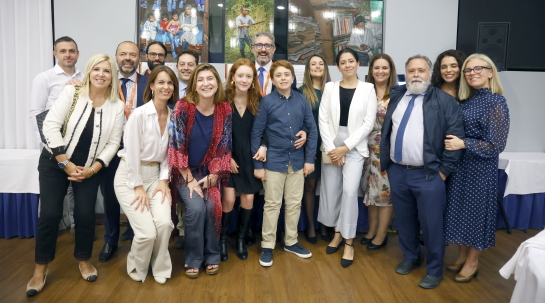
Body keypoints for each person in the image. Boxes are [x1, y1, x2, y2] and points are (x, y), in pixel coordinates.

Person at [26, 54, 124, 296]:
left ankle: (83, 260)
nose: (101, 74)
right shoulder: (72, 93)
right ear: (89, 72)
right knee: (49, 214)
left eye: (107, 70)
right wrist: (66, 164)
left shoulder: (117, 106)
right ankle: (40, 269)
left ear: (113, 76)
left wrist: (93, 169)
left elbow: (113, 144)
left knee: (84, 215)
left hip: (89, 170)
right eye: (96, 69)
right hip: (54, 162)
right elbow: (49, 125)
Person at [380, 54, 464, 289]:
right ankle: (411, 258)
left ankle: (435, 270)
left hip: (429, 175)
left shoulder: (445, 101)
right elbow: (388, 131)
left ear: (430, 73)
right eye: (411, 71)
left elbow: (455, 138)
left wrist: (444, 172)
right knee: (405, 221)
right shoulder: (396, 97)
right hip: (398, 172)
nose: (415, 75)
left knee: (431, 225)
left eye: (421, 70)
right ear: (405, 74)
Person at [444, 54, 510, 283]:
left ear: (490, 72)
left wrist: (464, 143)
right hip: (461, 167)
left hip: (481, 171)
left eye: (478, 69)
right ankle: (462, 256)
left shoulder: (496, 101)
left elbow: (496, 145)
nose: (472, 73)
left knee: (475, 217)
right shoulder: (468, 100)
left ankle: (473, 261)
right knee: (461, 214)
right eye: (468, 70)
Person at [114, 65, 178, 284]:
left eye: (170, 83)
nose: (166, 87)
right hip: (130, 177)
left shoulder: (173, 116)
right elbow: (131, 153)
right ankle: (136, 264)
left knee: (164, 223)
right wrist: (138, 186)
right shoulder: (139, 114)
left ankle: (159, 265)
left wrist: (163, 180)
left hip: (156, 177)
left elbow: (170, 153)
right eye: (160, 82)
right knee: (147, 233)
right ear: (151, 86)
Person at [251, 60, 318, 267]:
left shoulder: (301, 100)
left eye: (286, 74)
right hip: (273, 162)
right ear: (273, 78)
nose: (283, 78)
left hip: (297, 162)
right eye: (278, 75)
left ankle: (291, 241)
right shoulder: (266, 101)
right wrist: (258, 166)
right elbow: (257, 133)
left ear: (292, 77)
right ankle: (268, 246)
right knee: (272, 204)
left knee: (294, 204)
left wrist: (309, 160)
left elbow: (312, 130)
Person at [168, 64, 232, 278]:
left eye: (210, 79)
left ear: (217, 82)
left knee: (214, 207)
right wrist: (190, 180)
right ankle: (193, 258)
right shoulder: (182, 107)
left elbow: (225, 145)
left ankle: (212, 255)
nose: (206, 83)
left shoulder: (224, 108)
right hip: (184, 171)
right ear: (194, 84)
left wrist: (214, 175)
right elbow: (176, 146)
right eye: (201, 79)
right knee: (196, 208)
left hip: (211, 171)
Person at [318, 48, 377, 268]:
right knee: (332, 191)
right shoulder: (330, 87)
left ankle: (349, 242)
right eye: (343, 62)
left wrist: (345, 147)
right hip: (332, 143)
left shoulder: (368, 88)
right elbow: (323, 119)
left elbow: (368, 124)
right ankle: (337, 233)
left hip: (355, 145)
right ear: (338, 66)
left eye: (351, 61)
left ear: (358, 63)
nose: (347, 65)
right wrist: (332, 147)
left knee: (351, 191)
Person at [98, 41, 149, 262]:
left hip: (142, 150)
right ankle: (110, 241)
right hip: (111, 148)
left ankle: (140, 238)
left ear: (139, 58)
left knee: (140, 194)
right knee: (110, 196)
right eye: (123, 54)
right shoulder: (104, 83)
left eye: (132, 54)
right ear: (116, 57)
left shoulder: (149, 83)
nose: (128, 58)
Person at [29, 36, 82, 237]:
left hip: (77, 147)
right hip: (53, 149)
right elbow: (36, 115)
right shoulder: (44, 78)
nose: (67, 54)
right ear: (55, 54)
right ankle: (51, 237)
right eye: (63, 51)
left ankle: (77, 228)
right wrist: (50, 148)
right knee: (51, 206)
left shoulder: (85, 77)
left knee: (77, 194)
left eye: (71, 51)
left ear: (77, 53)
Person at [221, 58, 264, 261]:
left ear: (253, 79)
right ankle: (221, 239)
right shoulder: (222, 100)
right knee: (229, 200)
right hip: (228, 156)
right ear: (233, 78)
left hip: (250, 157)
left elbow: (265, 130)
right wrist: (226, 157)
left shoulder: (258, 101)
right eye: (240, 76)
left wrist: (263, 147)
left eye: (249, 76)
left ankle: (240, 239)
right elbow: (216, 133)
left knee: (248, 199)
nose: (244, 80)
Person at [360, 54, 398, 250]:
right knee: (370, 193)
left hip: (386, 150)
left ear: (390, 70)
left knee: (384, 194)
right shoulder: (365, 91)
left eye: (384, 68)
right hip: (365, 150)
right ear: (371, 70)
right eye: (376, 68)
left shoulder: (398, 94)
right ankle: (372, 230)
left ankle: (381, 235)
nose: (380, 71)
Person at [298, 54, 331, 244]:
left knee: (329, 187)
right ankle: (311, 226)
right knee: (310, 187)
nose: (317, 66)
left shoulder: (333, 90)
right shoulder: (302, 93)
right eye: (313, 64)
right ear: (308, 69)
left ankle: (325, 224)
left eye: (321, 63)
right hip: (310, 147)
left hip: (330, 147)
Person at [172, 49, 199, 250]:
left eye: (191, 64)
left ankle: (186, 230)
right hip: (168, 147)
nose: (186, 67)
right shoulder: (169, 88)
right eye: (182, 64)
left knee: (188, 191)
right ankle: (177, 229)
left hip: (193, 150)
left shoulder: (203, 89)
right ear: (177, 67)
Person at [252, 31, 298, 96]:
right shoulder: (245, 69)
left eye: (267, 46)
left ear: (274, 49)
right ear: (253, 49)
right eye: (259, 45)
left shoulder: (286, 71)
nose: (263, 49)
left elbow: (292, 96)